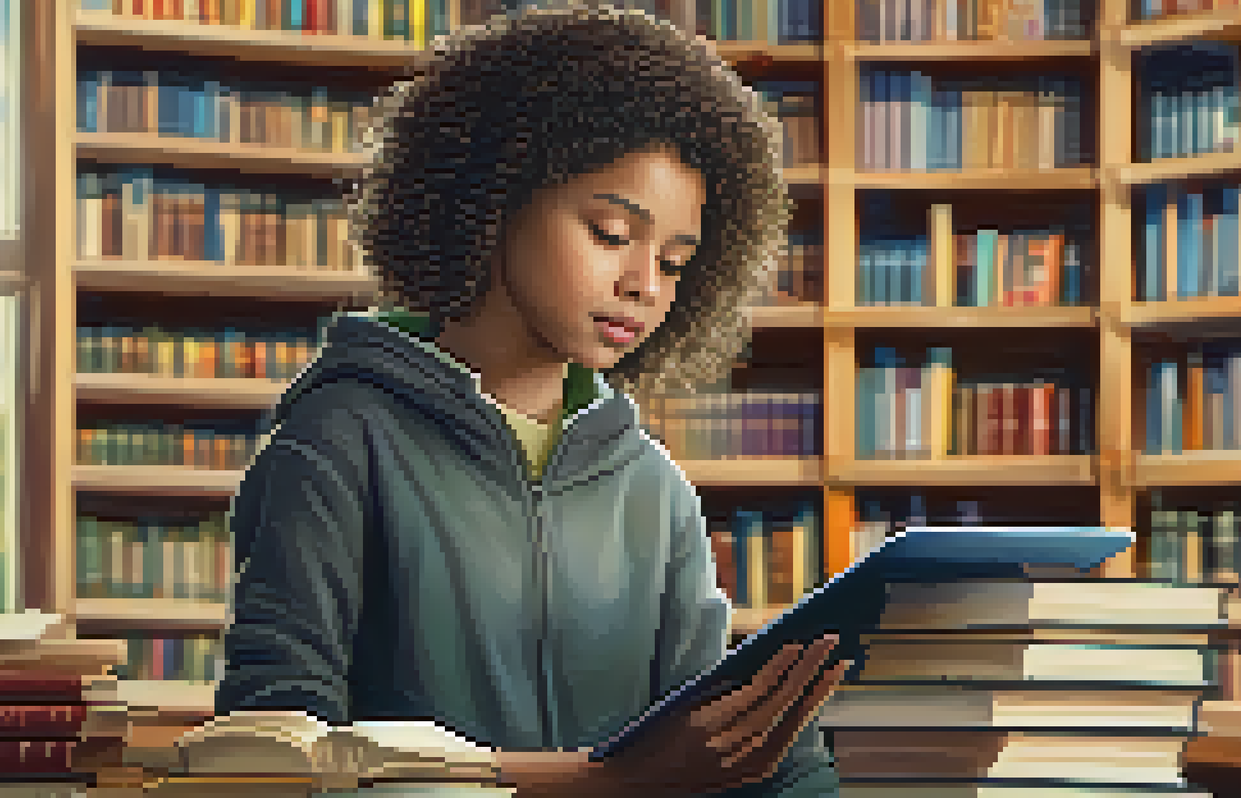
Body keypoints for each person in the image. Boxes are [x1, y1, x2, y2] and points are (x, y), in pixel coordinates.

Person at [214, 2, 848, 796]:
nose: (644, 286)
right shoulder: (339, 441)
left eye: (677, 261)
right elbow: (271, 755)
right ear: (492, 196)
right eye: (612, 233)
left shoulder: (651, 490)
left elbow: (720, 735)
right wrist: (604, 782)